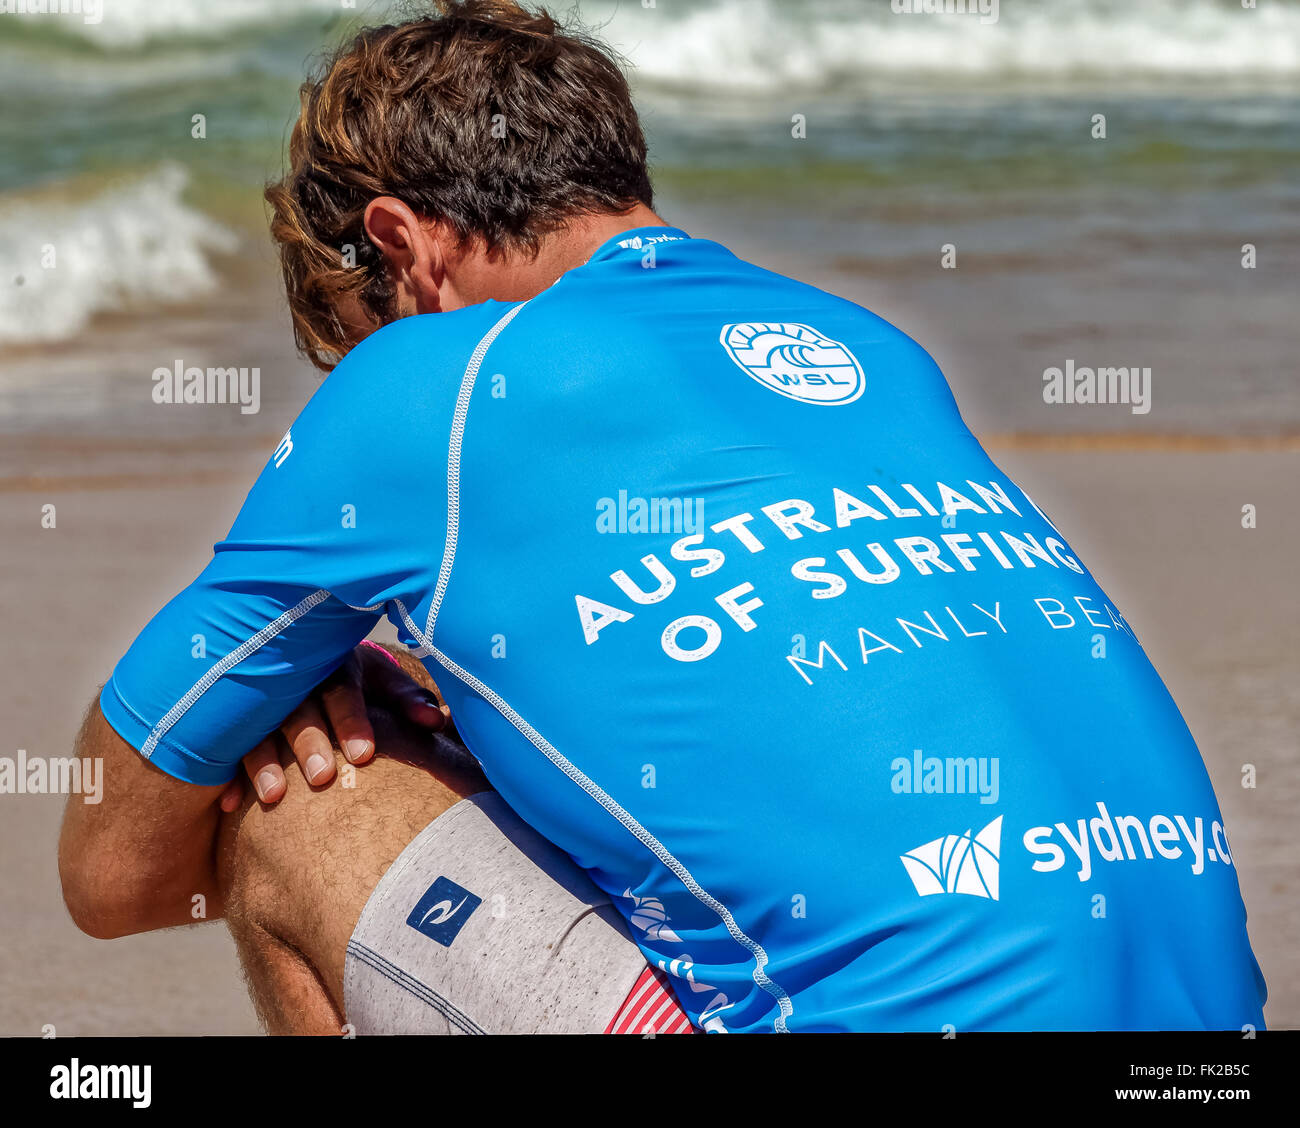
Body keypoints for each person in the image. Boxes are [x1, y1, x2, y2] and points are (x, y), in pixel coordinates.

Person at [59, 0, 1267, 1033]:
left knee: (302, 803)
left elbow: (111, 869)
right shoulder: (864, 343)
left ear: (399, 245)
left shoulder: (436, 374)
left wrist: (345, 700)